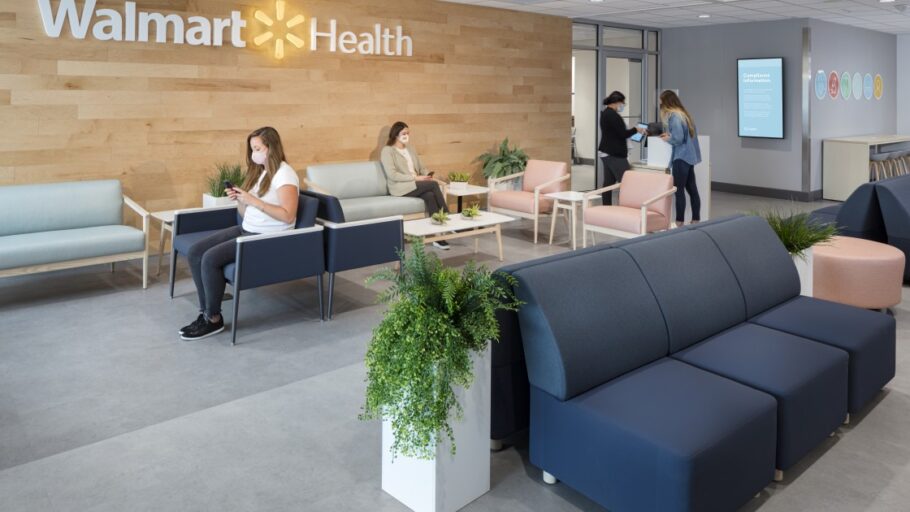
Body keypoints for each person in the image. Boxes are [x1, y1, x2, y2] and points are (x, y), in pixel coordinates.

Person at [179, 127, 300, 341]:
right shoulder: (261, 172)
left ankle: (213, 319)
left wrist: (255, 201)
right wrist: (241, 200)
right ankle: (205, 312)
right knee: (196, 252)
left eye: (257, 148)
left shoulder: (285, 174)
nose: (254, 153)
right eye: (252, 149)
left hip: (266, 237)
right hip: (248, 228)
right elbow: (246, 213)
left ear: (271, 148)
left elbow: (288, 216)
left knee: (210, 259)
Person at [380, 121, 450, 249]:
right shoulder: (388, 151)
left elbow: (421, 168)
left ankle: (437, 237)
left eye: (408, 133)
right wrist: (415, 178)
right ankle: (448, 216)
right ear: (396, 134)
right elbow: (392, 175)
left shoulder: (410, 149)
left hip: (416, 183)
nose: (406, 135)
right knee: (433, 185)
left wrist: (427, 175)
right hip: (400, 187)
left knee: (430, 196)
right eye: (404, 133)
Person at [658, 90, 702, 227]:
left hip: (681, 158)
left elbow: (678, 139)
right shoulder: (684, 114)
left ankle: (679, 222)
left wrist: (667, 138)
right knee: (692, 190)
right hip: (689, 158)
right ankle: (695, 219)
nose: (660, 105)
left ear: (667, 102)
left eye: (661, 102)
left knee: (679, 191)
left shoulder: (674, 117)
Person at [598, 91, 646, 205]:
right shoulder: (612, 115)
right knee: (627, 182)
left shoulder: (606, 113)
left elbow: (616, 133)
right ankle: (624, 207)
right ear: (616, 102)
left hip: (606, 152)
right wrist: (636, 129)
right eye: (622, 103)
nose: (623, 105)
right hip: (614, 154)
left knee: (608, 183)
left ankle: (606, 208)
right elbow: (623, 134)